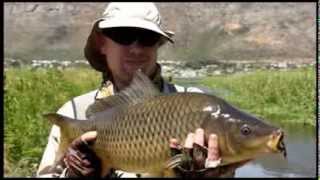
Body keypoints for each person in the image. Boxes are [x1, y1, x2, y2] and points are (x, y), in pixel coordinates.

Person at [36, 2, 246, 178]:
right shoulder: (73, 114)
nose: (136, 49)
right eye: (123, 35)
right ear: (102, 44)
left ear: (158, 45)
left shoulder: (199, 105)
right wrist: (73, 175)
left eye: (147, 38)